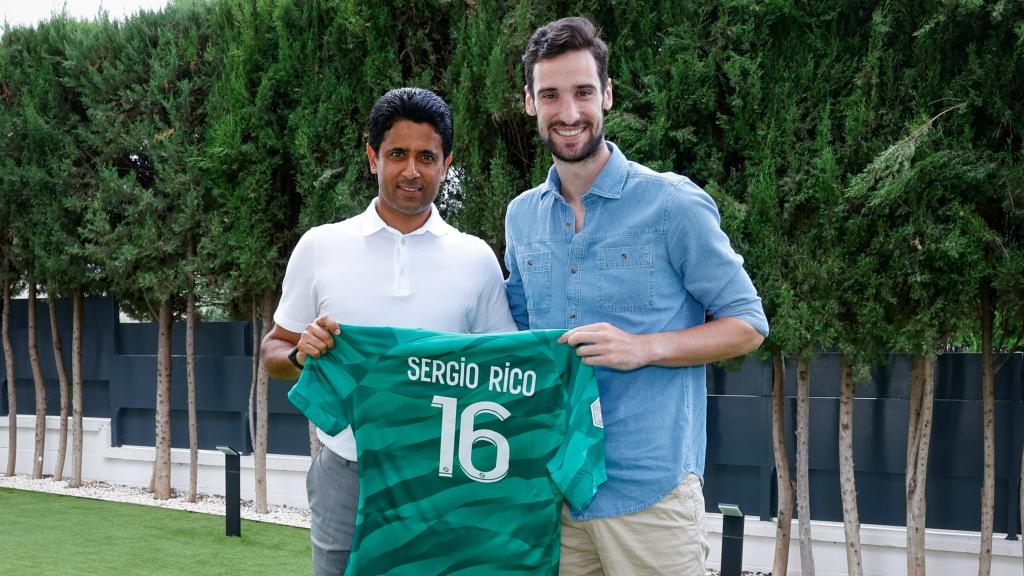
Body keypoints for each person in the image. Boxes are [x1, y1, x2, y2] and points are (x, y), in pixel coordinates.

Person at [504, 16, 769, 576]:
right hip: (558, 488)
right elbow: (524, 342)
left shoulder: (673, 204)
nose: (569, 112)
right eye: (551, 95)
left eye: (582, 92)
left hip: (650, 494)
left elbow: (748, 323)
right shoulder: (521, 217)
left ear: (607, 94)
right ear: (530, 102)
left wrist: (644, 347)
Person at [262, 87, 517, 576]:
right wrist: (301, 355)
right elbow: (274, 350)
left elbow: (500, 369)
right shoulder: (321, 246)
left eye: (427, 156)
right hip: (346, 471)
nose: (411, 171)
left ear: (446, 163)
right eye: (397, 154)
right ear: (372, 156)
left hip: (442, 473)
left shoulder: (476, 258)